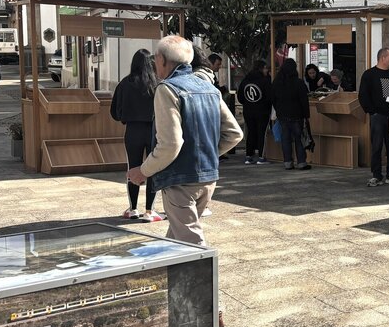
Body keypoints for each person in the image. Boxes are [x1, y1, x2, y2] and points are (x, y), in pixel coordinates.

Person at [125, 35, 242, 245]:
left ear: (161, 60)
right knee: (176, 241)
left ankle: (202, 268)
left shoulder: (167, 89)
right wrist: (206, 153)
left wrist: (143, 171)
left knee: (191, 244)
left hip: (180, 179)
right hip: (208, 177)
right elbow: (234, 133)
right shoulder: (210, 89)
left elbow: (170, 144)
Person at [111, 49, 163, 222]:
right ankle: (150, 211)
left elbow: (115, 112)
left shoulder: (124, 83)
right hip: (154, 130)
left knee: (133, 167)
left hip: (132, 130)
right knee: (153, 167)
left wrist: (126, 116)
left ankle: (133, 208)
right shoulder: (157, 84)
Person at [358, 47, 389, 187]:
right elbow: (363, 95)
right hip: (377, 116)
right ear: (382, 58)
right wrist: (372, 111)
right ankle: (376, 175)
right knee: (377, 146)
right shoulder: (369, 75)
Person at [272, 58, 312, 170]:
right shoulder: (298, 83)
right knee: (299, 139)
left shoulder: (277, 82)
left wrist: (279, 111)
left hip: (282, 115)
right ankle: (301, 162)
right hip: (297, 115)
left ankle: (288, 162)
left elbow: (273, 99)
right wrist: (306, 115)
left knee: (286, 139)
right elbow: (304, 100)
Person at [237, 59, 274, 165]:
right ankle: (261, 157)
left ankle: (248, 156)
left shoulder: (245, 80)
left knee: (250, 132)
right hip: (263, 111)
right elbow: (270, 97)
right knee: (262, 133)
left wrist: (248, 103)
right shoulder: (265, 81)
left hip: (248, 111)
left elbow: (240, 97)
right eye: (266, 68)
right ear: (261, 69)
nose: (267, 70)